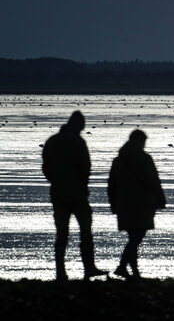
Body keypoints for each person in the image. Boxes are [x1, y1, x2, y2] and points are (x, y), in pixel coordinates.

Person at [41, 110, 108, 281]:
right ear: (78, 125)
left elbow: (46, 168)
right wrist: (83, 186)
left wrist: (55, 181)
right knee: (85, 230)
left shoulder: (52, 141)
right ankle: (89, 268)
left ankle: (60, 271)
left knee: (62, 232)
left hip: (58, 193)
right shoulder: (78, 142)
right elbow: (85, 167)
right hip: (77, 193)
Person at [108, 129, 166, 280]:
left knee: (133, 237)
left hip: (123, 205)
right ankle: (122, 267)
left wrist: (113, 204)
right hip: (142, 204)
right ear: (140, 141)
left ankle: (134, 272)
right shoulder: (145, 159)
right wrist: (160, 199)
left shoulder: (118, 160)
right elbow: (154, 181)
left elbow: (111, 185)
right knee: (136, 238)